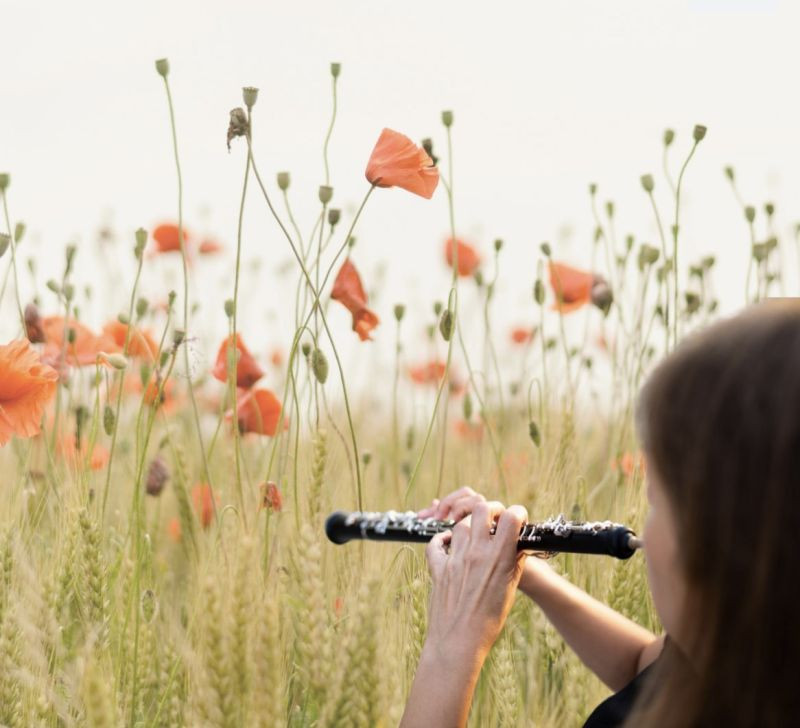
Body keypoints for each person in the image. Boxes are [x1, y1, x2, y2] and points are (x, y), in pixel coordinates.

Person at [400, 299, 800, 727]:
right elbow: (643, 668)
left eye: (659, 500)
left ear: (721, 539)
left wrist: (453, 642)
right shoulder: (752, 659)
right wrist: (531, 572)